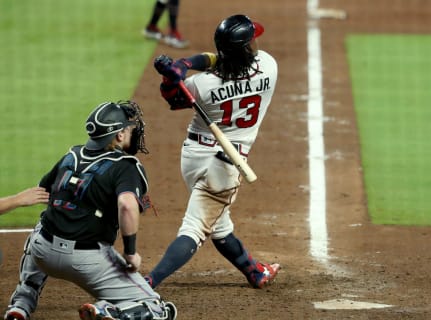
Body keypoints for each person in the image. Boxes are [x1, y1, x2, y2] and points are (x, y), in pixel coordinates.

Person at [3, 101, 177, 320]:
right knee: (159, 309)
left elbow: (46, 191)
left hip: (42, 253)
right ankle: (108, 311)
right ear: (119, 135)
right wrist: (131, 252)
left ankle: (20, 305)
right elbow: (126, 205)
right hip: (86, 260)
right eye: (128, 128)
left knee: (43, 224)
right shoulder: (126, 166)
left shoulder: (71, 155)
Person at [145, 14, 280, 290]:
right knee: (195, 228)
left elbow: (173, 98)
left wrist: (177, 71)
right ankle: (147, 282)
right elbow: (230, 61)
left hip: (193, 158)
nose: (255, 42)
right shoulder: (268, 66)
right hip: (226, 164)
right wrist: (183, 69)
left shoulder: (201, 85)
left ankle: (255, 272)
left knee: (217, 223)